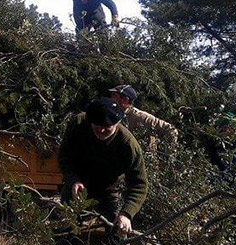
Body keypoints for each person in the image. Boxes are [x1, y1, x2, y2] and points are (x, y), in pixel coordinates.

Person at [58, 98, 148, 234]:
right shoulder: (78, 124)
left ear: (117, 123)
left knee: (117, 232)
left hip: (108, 191)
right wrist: (73, 179)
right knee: (65, 232)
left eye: (106, 127)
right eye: (96, 126)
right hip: (76, 188)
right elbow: (64, 156)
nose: (100, 130)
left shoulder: (128, 145)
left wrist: (126, 214)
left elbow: (139, 185)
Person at [109, 84, 179, 146]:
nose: (111, 98)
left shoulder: (141, 117)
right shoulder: (111, 113)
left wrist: (168, 153)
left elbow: (171, 129)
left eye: (114, 95)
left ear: (125, 100)